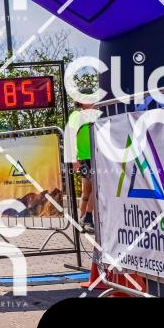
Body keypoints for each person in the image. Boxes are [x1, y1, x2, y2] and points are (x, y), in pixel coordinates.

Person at [69, 99, 97, 233]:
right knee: (94, 188)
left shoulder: (95, 115)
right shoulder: (77, 116)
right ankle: (88, 218)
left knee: (88, 190)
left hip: (96, 156)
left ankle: (82, 219)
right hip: (84, 158)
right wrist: (73, 158)